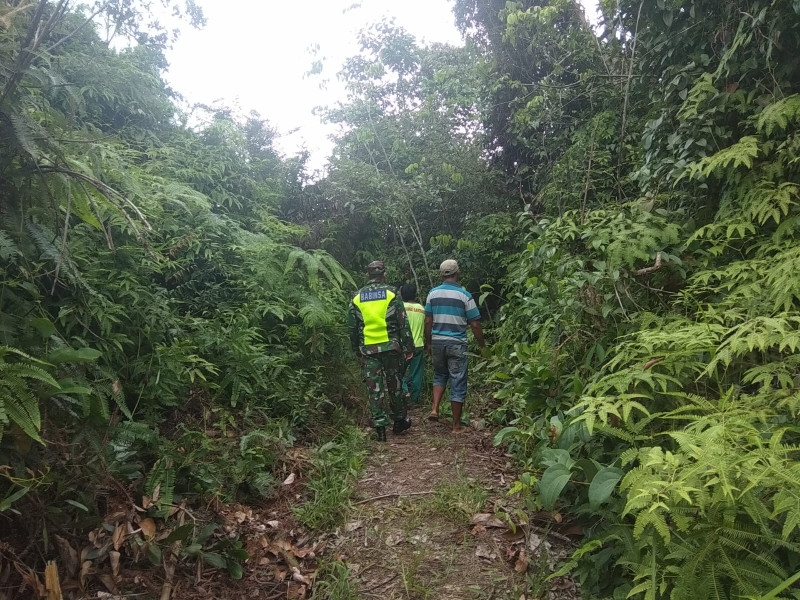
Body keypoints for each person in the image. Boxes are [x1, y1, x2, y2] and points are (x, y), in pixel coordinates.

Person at [347, 261, 415, 442]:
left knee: (374, 388)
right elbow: (403, 322)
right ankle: (399, 420)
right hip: (391, 347)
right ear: (383, 274)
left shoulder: (357, 296)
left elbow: (352, 327)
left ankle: (380, 429)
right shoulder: (392, 293)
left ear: (368, 275)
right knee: (395, 385)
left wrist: (356, 349)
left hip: (368, 350)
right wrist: (409, 346)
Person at [424, 259, 485, 434]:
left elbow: (428, 320)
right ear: (457, 273)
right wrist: (482, 346)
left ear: (442, 274)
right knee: (458, 380)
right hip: (457, 343)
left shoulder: (432, 294)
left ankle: (435, 409)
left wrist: (428, 342)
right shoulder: (464, 295)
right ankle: (456, 426)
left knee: (440, 375)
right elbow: (474, 324)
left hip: (437, 341)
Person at [400, 283, 425, 405]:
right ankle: (414, 399)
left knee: (399, 372)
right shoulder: (422, 309)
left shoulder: (399, 307)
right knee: (416, 373)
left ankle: (404, 391)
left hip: (402, 345)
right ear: (415, 294)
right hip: (418, 344)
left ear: (401, 294)